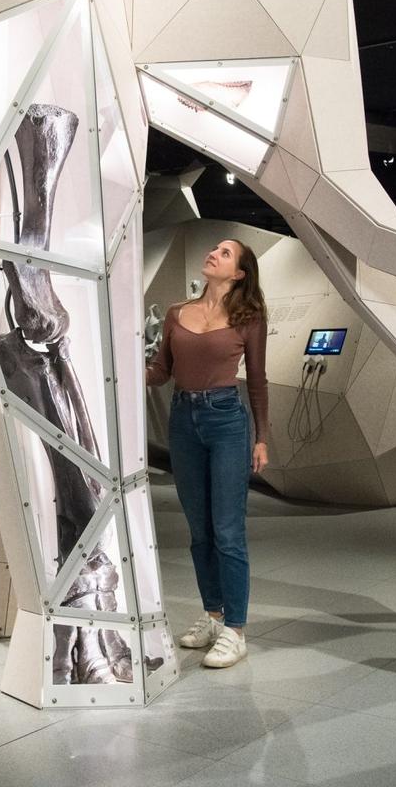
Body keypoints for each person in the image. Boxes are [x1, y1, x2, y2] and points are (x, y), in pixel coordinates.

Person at [146, 238, 269, 669]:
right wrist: (125, 369)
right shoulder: (177, 313)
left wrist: (262, 437)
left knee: (227, 530)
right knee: (199, 530)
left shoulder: (249, 318)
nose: (214, 254)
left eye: (225, 253)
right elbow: (162, 371)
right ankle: (213, 616)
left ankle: (236, 630)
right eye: (215, 249)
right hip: (183, 419)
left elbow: (258, 380)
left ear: (239, 273)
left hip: (226, 421)